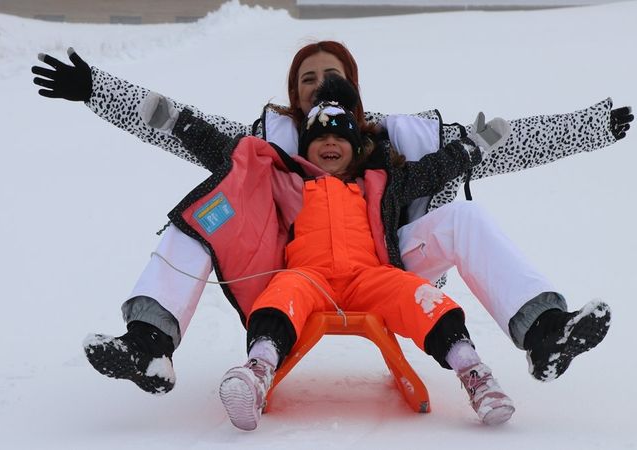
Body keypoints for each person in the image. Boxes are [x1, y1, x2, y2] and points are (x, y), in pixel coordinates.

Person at [31, 41, 632, 392]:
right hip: (286, 274)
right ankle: (148, 344)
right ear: (294, 95)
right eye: (307, 79)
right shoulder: (270, 144)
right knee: (203, 216)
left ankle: (545, 334)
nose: (320, 86)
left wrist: (591, 128)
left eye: (332, 77)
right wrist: (95, 90)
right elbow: (179, 124)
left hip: (388, 266)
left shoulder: (400, 142)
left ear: (356, 89)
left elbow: (500, 143)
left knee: (466, 220)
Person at [214, 75, 517, 429]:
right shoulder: (289, 183)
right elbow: (231, 157)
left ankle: (475, 373)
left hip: (369, 277)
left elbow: (432, 172)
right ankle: (258, 370)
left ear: (356, 148)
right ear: (305, 149)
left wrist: (472, 147)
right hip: (309, 277)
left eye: (340, 138)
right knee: (282, 294)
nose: (330, 143)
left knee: (420, 296)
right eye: (320, 138)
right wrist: (178, 123)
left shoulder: (377, 184)